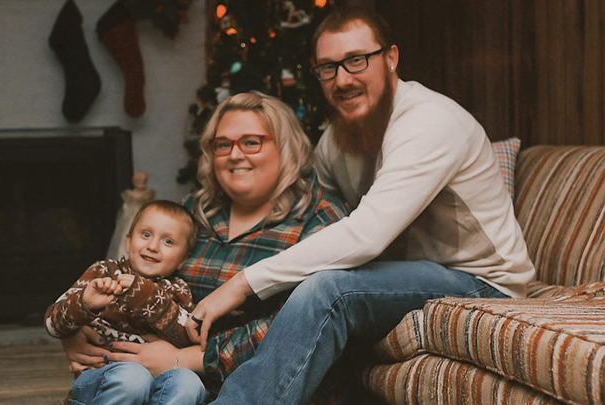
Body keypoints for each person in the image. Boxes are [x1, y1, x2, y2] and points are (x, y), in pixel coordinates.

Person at [187, 6, 537, 404]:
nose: (342, 80)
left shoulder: (430, 121)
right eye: (328, 67)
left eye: (356, 60)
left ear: (391, 58)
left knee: (329, 290)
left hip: (482, 282)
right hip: (400, 279)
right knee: (309, 280)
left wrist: (242, 283)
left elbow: (366, 235)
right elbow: (312, 218)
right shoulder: (337, 141)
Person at [57, 92, 349, 403]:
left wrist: (187, 359)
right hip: (159, 387)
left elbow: (300, 326)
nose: (234, 155)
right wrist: (79, 330)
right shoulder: (192, 212)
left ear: (285, 146)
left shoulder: (320, 219)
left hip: (259, 391)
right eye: (222, 144)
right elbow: (131, 280)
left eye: (251, 142)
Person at [45, 200, 205, 405]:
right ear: (128, 242)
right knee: (133, 378)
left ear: (183, 259)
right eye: (146, 234)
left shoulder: (178, 290)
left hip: (157, 383)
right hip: (101, 379)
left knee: (189, 383)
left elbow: (186, 338)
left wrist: (146, 296)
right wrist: (84, 303)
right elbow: (52, 324)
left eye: (168, 241)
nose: (153, 246)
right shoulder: (104, 273)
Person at [107, 171, 157, 260]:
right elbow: (124, 214)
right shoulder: (128, 197)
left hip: (146, 223)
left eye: (143, 180)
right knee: (127, 244)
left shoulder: (149, 196)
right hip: (130, 225)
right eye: (139, 180)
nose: (141, 183)